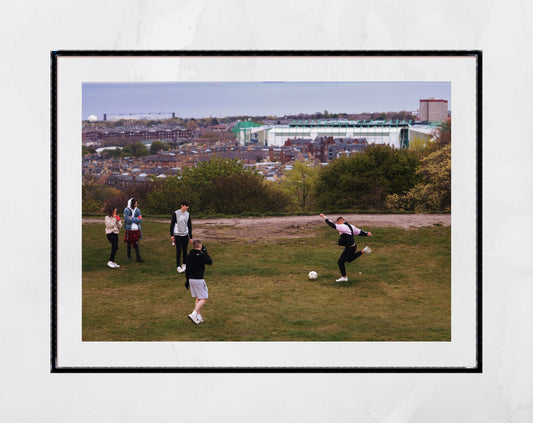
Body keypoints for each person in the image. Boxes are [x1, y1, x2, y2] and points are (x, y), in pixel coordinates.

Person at [320, 213, 372, 282]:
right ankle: (363, 251)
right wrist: (367, 233)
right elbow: (359, 232)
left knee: (340, 262)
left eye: (338, 223)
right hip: (353, 246)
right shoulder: (351, 226)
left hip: (350, 248)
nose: (338, 225)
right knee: (349, 260)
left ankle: (344, 277)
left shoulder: (343, 226)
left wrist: (324, 217)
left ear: (340, 221)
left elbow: (332, 225)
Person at [184, 239, 212, 325]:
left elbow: (187, 268)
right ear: (200, 246)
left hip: (191, 279)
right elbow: (210, 262)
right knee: (204, 297)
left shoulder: (189, 255)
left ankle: (198, 317)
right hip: (199, 279)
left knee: (198, 298)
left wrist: (187, 280)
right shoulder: (201, 255)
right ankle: (194, 313)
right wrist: (205, 252)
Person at [170, 200, 193, 273]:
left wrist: (191, 236)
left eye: (187, 207)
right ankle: (178, 266)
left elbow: (189, 225)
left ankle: (184, 264)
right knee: (179, 251)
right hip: (178, 235)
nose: (187, 208)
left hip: (185, 235)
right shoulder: (176, 213)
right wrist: (171, 235)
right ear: (182, 206)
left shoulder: (187, 214)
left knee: (185, 250)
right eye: (186, 206)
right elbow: (172, 224)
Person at [123, 197, 143, 262]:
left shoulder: (138, 210)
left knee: (136, 243)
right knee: (129, 243)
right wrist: (136, 219)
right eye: (135, 203)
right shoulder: (126, 210)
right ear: (132, 204)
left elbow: (140, 220)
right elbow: (127, 220)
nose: (136, 205)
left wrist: (132, 219)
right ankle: (128, 256)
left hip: (136, 229)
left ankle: (138, 257)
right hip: (129, 229)